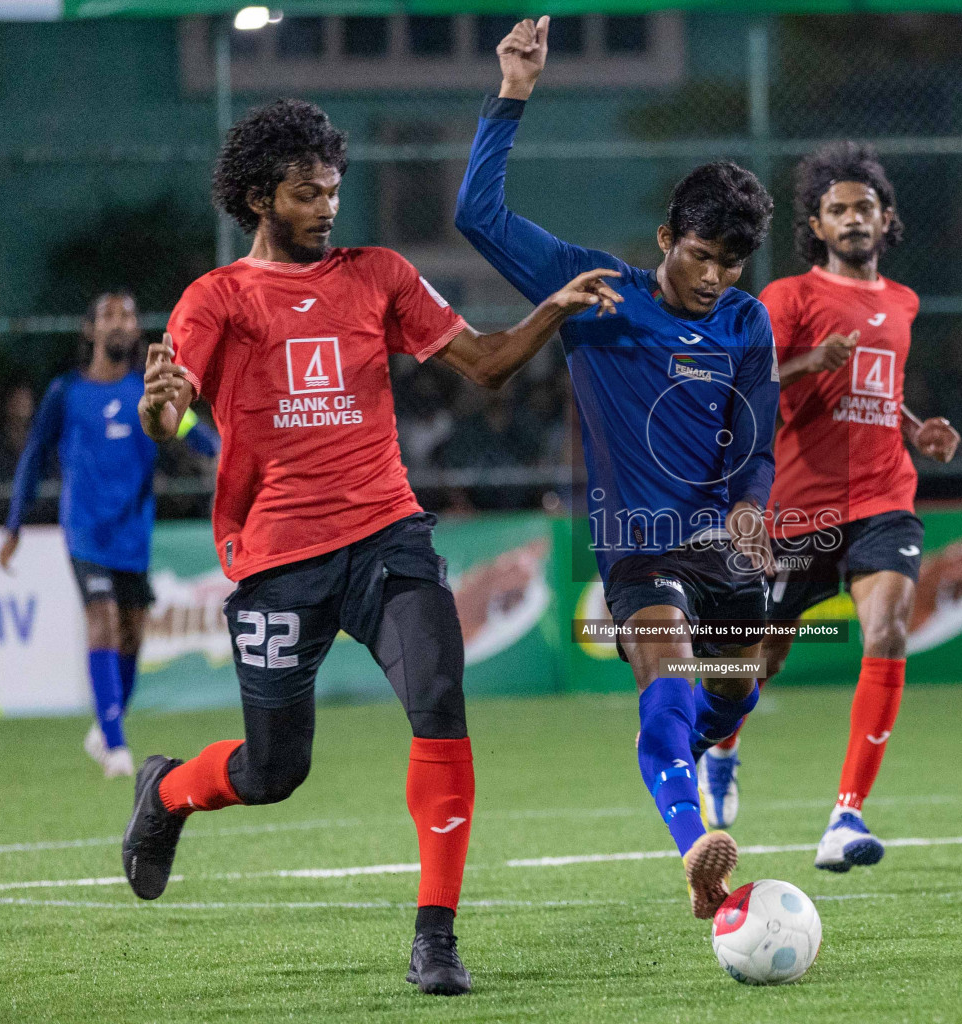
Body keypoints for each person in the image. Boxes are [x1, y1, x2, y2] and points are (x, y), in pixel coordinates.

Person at [121, 97, 621, 996]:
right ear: (257, 197)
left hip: (387, 534)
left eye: (334, 189)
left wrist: (552, 309)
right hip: (277, 558)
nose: (327, 206)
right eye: (308, 193)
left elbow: (488, 361)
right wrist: (159, 402)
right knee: (275, 771)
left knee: (438, 697)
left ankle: (436, 938)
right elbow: (172, 410)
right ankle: (165, 792)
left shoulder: (379, 275)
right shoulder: (218, 298)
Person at [456, 17, 778, 919]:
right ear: (667, 234)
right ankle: (695, 848)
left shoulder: (746, 324)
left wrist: (753, 507)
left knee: (733, 690)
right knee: (666, 683)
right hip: (638, 548)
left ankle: (714, 746)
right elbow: (478, 218)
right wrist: (512, 94)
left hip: (723, 545)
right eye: (700, 254)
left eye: (730, 262)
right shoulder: (599, 295)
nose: (713, 276)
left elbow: (757, 439)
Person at [699, 142, 959, 873]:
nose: (852, 219)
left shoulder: (902, 302)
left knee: (889, 627)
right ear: (815, 223)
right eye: (837, 209)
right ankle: (723, 746)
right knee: (761, 660)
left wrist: (916, 429)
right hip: (799, 510)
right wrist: (805, 364)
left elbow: (878, 386)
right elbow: (742, 385)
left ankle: (846, 816)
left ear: (887, 220)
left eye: (864, 208)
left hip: (883, 498)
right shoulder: (789, 299)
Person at [1, 291, 219, 778]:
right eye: (108, 315)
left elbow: (187, 429)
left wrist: (221, 450)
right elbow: (35, 456)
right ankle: (116, 746)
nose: (120, 322)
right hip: (85, 532)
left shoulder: (149, 394)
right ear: (90, 331)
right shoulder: (66, 393)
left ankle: (106, 725)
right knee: (101, 618)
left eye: (128, 315)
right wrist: (14, 523)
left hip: (133, 534)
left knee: (132, 632)